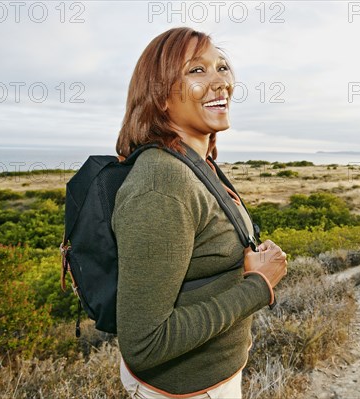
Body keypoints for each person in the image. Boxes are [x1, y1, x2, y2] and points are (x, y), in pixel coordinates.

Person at [111, 27, 288, 399]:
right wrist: (259, 285)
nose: (220, 82)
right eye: (197, 71)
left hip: (216, 379)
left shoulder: (195, 163)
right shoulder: (161, 184)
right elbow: (144, 345)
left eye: (222, 68)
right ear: (160, 96)